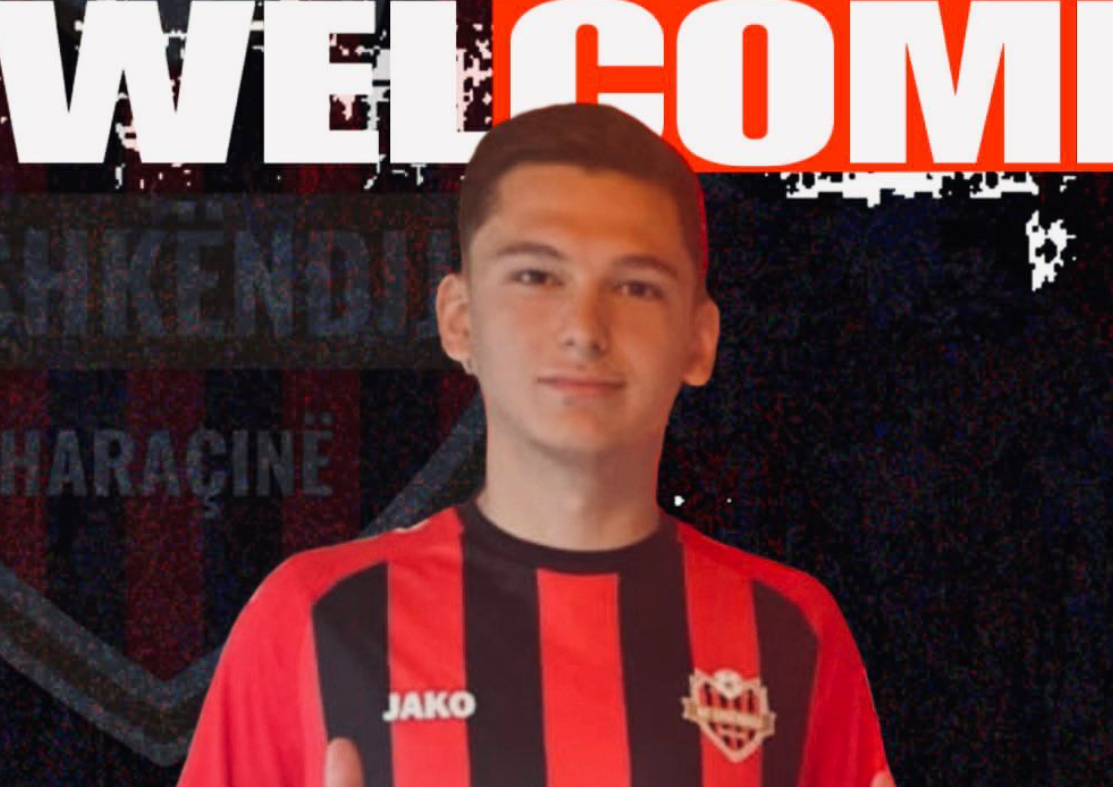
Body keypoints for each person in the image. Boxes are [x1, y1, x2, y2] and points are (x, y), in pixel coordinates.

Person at [176, 102, 894, 787]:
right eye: (536, 276)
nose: (583, 328)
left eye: (636, 286)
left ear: (699, 340)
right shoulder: (315, 618)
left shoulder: (791, 630)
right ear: (459, 320)